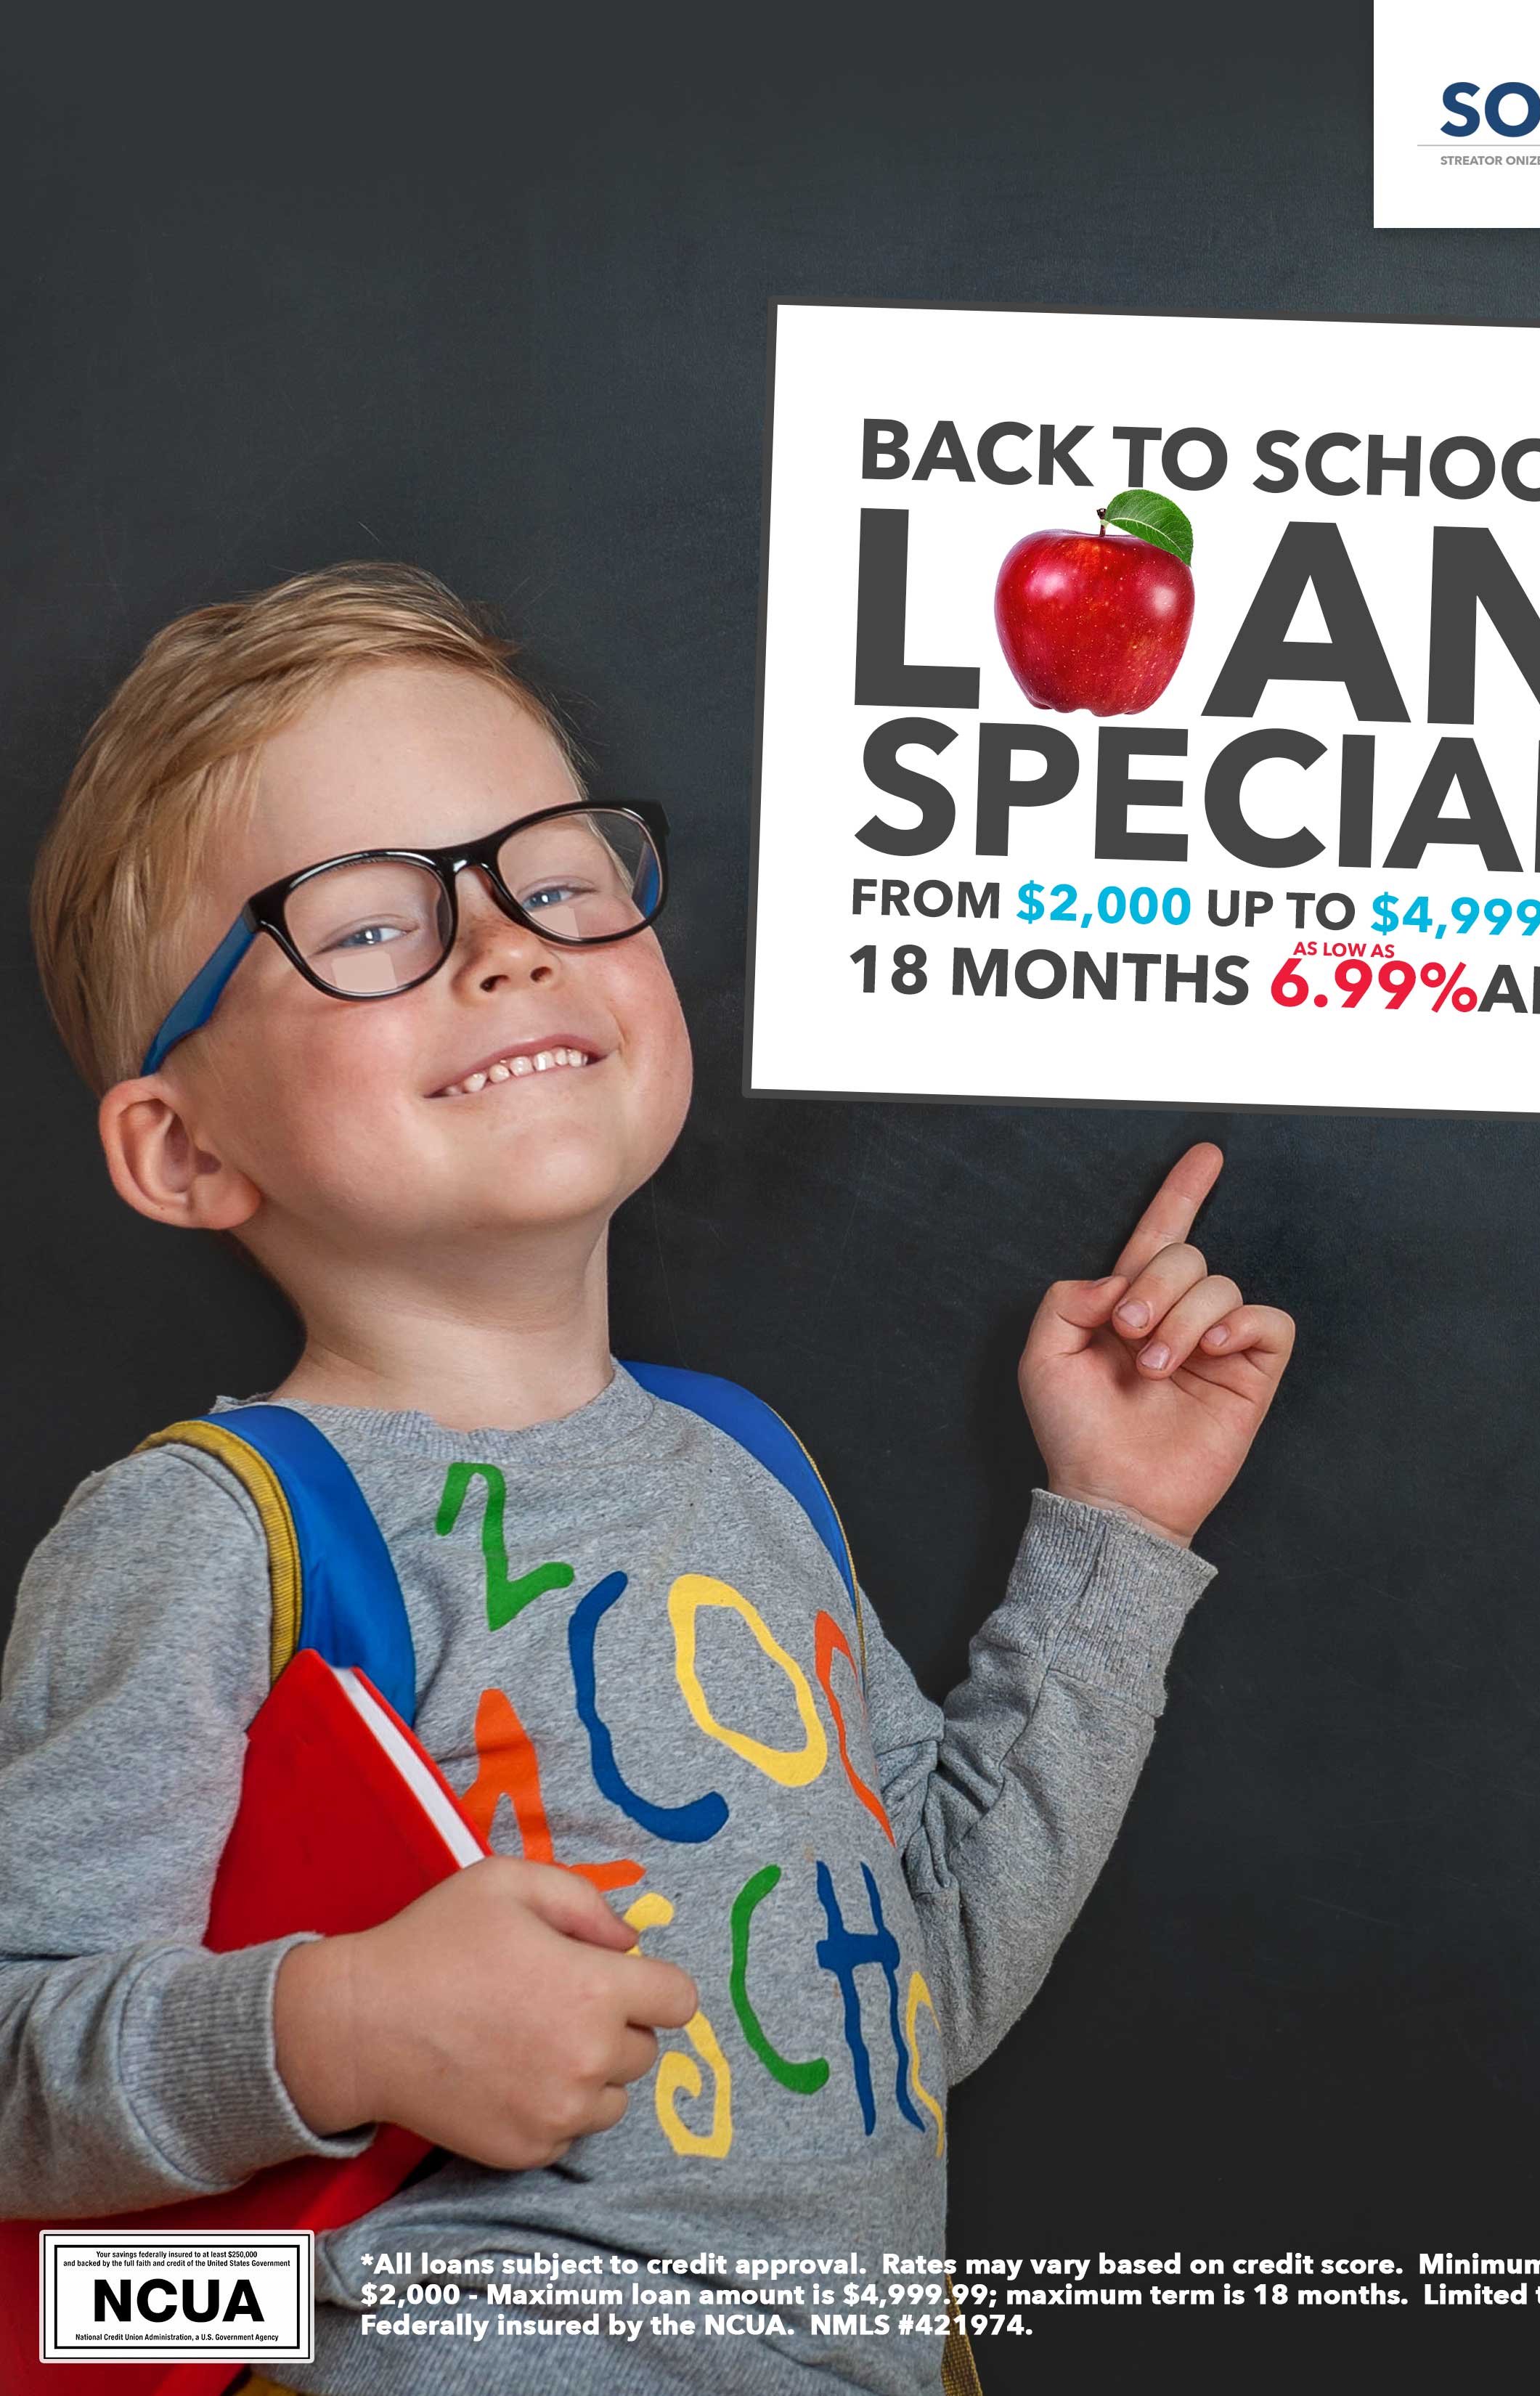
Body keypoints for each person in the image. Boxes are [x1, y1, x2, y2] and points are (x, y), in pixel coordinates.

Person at [1, 562, 1294, 2394]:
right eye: (366, 920)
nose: (506, 941)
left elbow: (920, 1996)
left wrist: (1118, 1538)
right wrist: (345, 2023)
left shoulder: (745, 1466)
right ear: (185, 1147)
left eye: (560, 873)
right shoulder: (211, 1534)